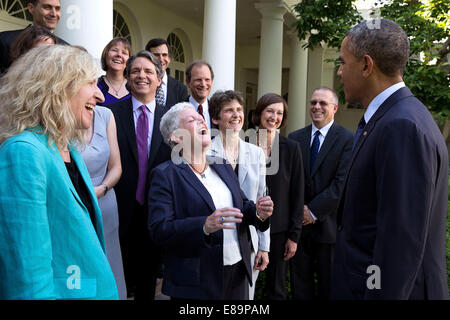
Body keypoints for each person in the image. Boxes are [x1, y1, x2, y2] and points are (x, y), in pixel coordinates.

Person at [331, 19, 449, 300]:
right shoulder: (390, 118)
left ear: (366, 65)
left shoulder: (401, 126)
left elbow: (400, 245)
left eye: (343, 62)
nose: (339, 71)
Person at [0, 45, 117, 299]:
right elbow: (28, 280)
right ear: (57, 86)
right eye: (90, 83)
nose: (100, 95)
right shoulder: (24, 152)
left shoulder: (67, 149)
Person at [148, 102, 273, 299]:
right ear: (177, 137)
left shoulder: (221, 165)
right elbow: (160, 229)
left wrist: (258, 212)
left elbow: (242, 206)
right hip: (197, 280)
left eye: (200, 118)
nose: (201, 121)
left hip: (237, 270)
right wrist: (205, 226)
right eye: (191, 120)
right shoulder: (165, 175)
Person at [106, 50, 172, 300]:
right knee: (117, 281)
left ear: (158, 78)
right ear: (127, 77)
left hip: (156, 211)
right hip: (119, 210)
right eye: (135, 71)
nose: (141, 75)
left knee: (148, 284)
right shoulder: (109, 113)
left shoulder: (172, 117)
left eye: (148, 71)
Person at [288, 87, 353, 299]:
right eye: (313, 102)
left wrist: (312, 211)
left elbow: (340, 184)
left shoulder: (347, 140)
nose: (316, 107)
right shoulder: (294, 138)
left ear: (334, 108)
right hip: (299, 231)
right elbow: (289, 183)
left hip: (329, 230)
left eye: (323, 103)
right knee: (300, 289)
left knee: (329, 289)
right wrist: (299, 214)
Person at [207, 90, 269, 300]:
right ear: (215, 118)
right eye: (229, 111)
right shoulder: (205, 153)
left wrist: (264, 246)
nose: (236, 115)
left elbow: (262, 202)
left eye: (239, 110)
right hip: (216, 241)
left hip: (247, 241)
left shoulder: (256, 153)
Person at [252, 93, 304, 299]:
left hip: (279, 230)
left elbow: (297, 193)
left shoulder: (291, 148)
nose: (274, 117)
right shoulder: (242, 143)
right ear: (259, 113)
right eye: (270, 111)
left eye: (280, 113)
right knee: (243, 284)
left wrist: (294, 235)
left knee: (276, 288)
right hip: (247, 225)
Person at [80, 105, 127, 300]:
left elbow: (116, 166)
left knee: (110, 261)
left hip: (105, 202)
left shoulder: (105, 115)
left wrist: (103, 189)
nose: (98, 93)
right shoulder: (58, 115)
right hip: (75, 204)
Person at [0, 0, 68, 73]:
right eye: (47, 7)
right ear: (31, 8)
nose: (54, 14)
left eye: (57, 9)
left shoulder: (68, 50)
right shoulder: (4, 39)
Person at [145, 38, 189, 108]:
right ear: (147, 58)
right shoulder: (141, 83)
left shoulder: (181, 89)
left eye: (164, 55)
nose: (161, 59)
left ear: (169, 58)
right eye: (156, 55)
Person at [98, 37, 132, 106]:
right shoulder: (95, 86)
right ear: (106, 54)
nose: (119, 55)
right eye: (114, 50)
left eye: (124, 53)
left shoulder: (134, 88)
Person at [185, 60, 215, 130]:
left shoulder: (217, 111)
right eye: (198, 80)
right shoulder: (177, 112)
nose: (203, 84)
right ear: (188, 82)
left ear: (212, 81)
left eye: (207, 80)